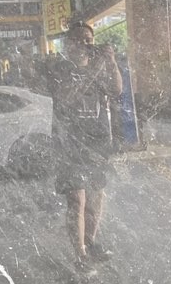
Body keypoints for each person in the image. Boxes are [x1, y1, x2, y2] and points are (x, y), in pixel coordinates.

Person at [47, 13, 122, 264]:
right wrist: (93, 70)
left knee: (95, 194)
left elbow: (116, 90)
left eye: (89, 39)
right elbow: (66, 98)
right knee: (76, 199)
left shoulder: (99, 63)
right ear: (69, 44)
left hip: (97, 139)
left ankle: (90, 242)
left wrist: (111, 62)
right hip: (69, 141)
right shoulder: (60, 68)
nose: (85, 44)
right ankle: (79, 254)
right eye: (79, 40)